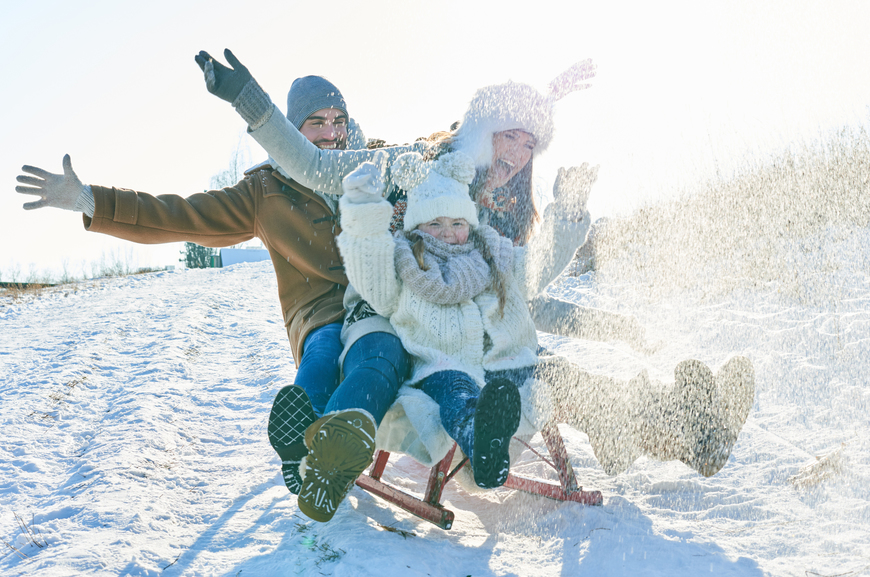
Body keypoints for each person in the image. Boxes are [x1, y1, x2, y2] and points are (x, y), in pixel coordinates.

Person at [196, 50, 754, 483]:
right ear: (479, 132)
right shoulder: (413, 167)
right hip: (429, 349)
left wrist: (612, 326)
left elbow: (524, 294)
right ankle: (683, 429)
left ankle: (693, 426)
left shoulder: (498, 214)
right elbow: (316, 164)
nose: (514, 154)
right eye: (506, 135)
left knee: (563, 375)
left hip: (486, 348)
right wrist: (247, 99)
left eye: (528, 143)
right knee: (556, 379)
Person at [14, 75, 413, 499]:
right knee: (325, 350)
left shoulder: (379, 162)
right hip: (321, 313)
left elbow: (438, 158)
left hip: (381, 303)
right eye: (317, 122)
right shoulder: (267, 191)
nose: (332, 133)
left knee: (376, 349)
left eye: (339, 120)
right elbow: (183, 214)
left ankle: (331, 441)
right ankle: (305, 436)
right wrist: (91, 200)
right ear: (292, 130)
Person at [320, 149, 596, 519]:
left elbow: (540, 263)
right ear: (416, 227)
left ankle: (652, 412)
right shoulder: (403, 264)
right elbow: (369, 272)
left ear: (470, 222)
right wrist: (363, 213)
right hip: (442, 369)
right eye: (435, 224)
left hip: (507, 365)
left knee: (563, 375)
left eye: (457, 223)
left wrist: (569, 210)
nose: (448, 234)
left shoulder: (494, 254)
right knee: (459, 396)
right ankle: (483, 447)